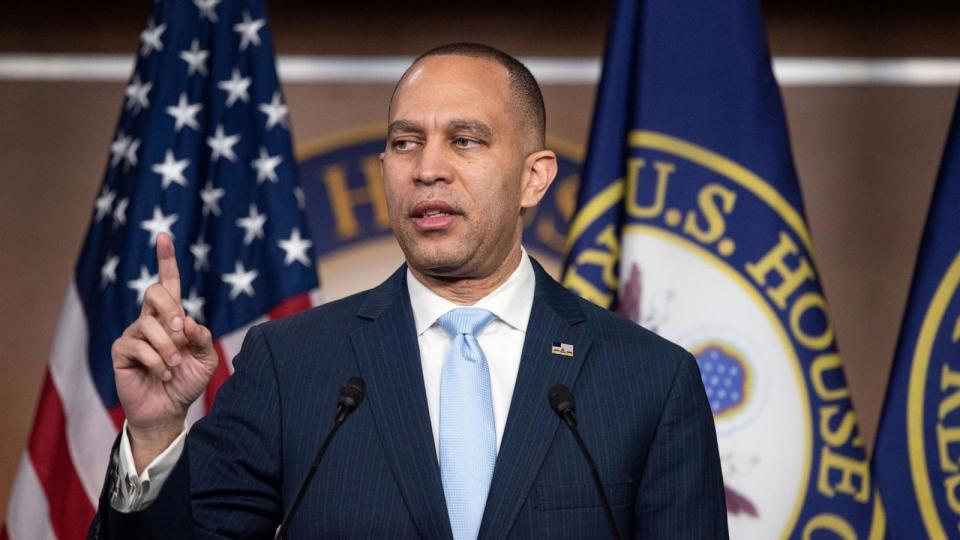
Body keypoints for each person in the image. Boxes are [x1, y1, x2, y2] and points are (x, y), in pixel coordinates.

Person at [89, 43, 727, 539]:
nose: (427, 167)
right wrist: (154, 433)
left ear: (535, 179)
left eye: (466, 140)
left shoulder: (649, 378)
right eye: (405, 142)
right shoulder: (293, 363)